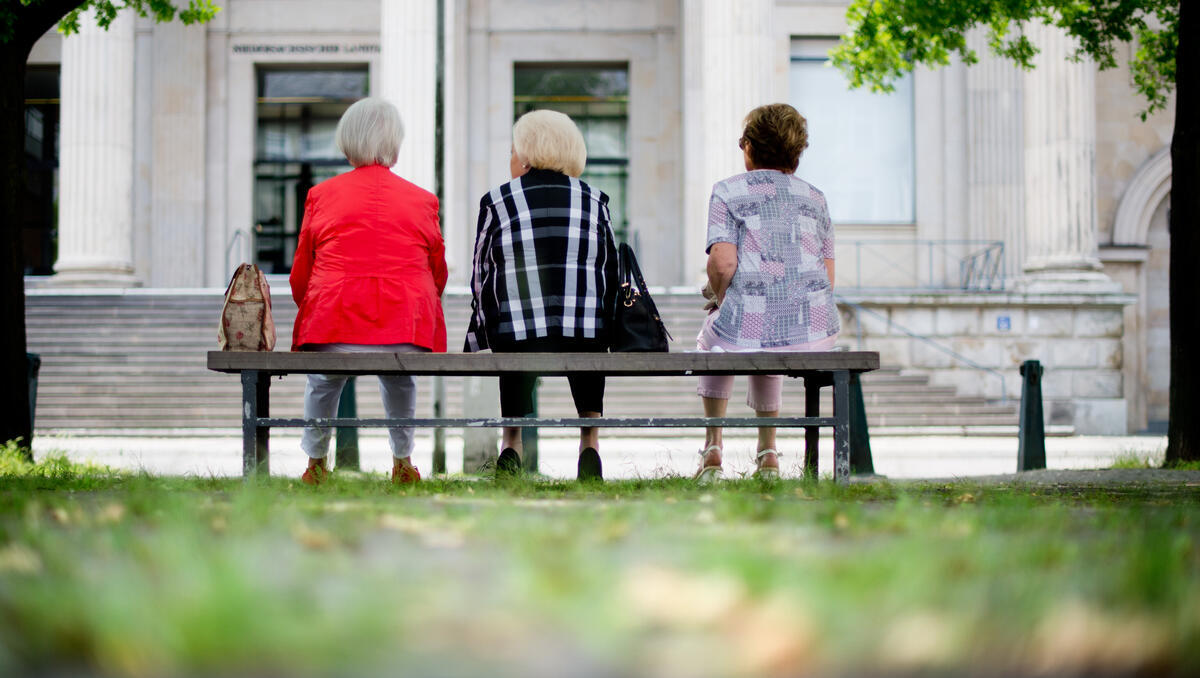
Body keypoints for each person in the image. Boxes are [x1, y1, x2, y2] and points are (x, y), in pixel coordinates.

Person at [290, 97, 448, 486]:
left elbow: (301, 273)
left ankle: (314, 463)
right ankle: (403, 461)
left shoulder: (321, 196)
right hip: (403, 329)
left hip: (335, 323)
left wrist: (311, 308)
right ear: (394, 141)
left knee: (322, 383)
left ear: (348, 140)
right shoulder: (422, 199)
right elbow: (437, 272)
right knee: (400, 380)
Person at [465, 109, 620, 481]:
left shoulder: (498, 201)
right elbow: (610, 271)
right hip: (583, 332)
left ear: (527, 152)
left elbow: (480, 274)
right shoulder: (595, 200)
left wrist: (487, 326)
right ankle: (589, 444)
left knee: (514, 328)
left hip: (520, 334)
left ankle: (512, 444)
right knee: (587, 331)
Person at [694, 103, 840, 482]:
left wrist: (719, 297)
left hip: (754, 326)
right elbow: (827, 275)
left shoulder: (727, 191)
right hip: (814, 331)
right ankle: (769, 453)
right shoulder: (817, 198)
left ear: (749, 147)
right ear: (797, 152)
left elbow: (723, 264)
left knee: (718, 338)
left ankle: (713, 447)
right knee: (765, 333)